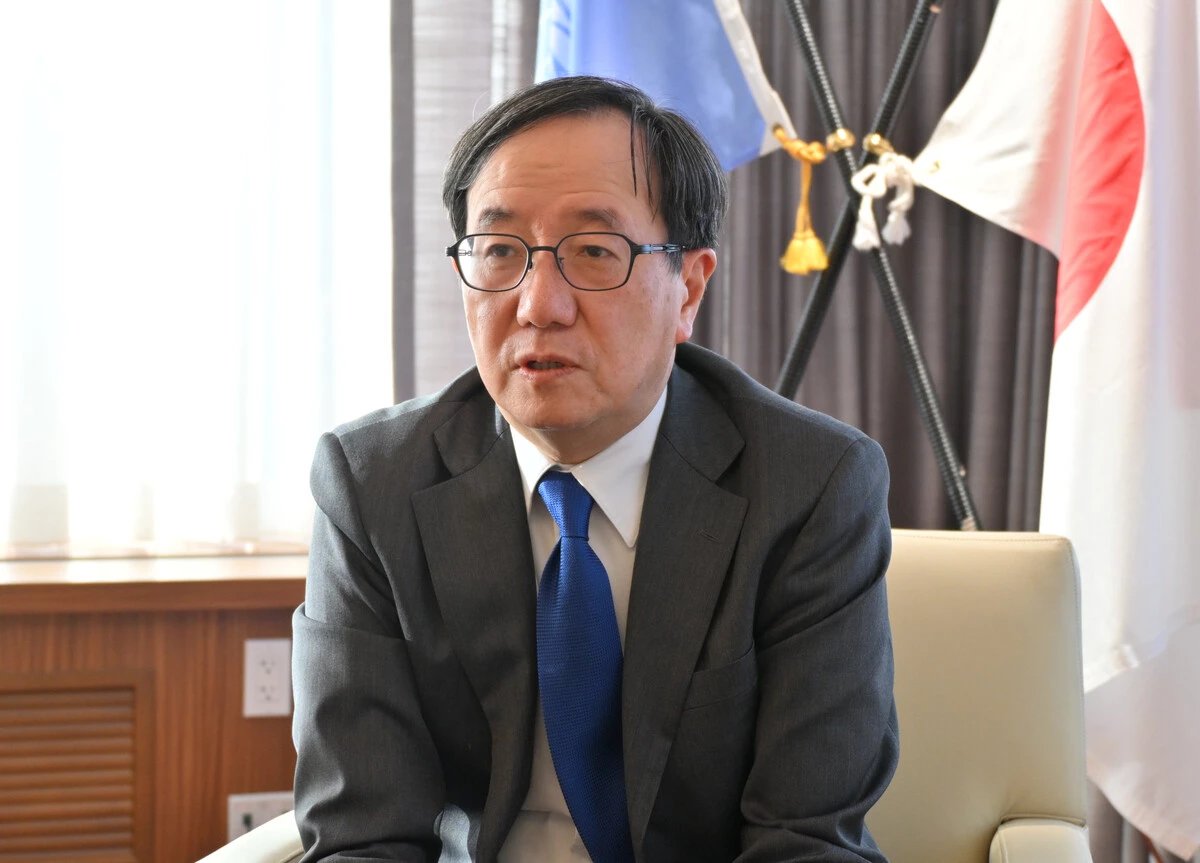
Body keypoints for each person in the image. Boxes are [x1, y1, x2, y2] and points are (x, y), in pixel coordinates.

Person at [292, 75, 898, 863]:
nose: (538, 304)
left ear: (689, 288)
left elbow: (807, 841)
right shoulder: (373, 484)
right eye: (500, 251)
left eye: (593, 252)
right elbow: (363, 835)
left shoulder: (810, 486)